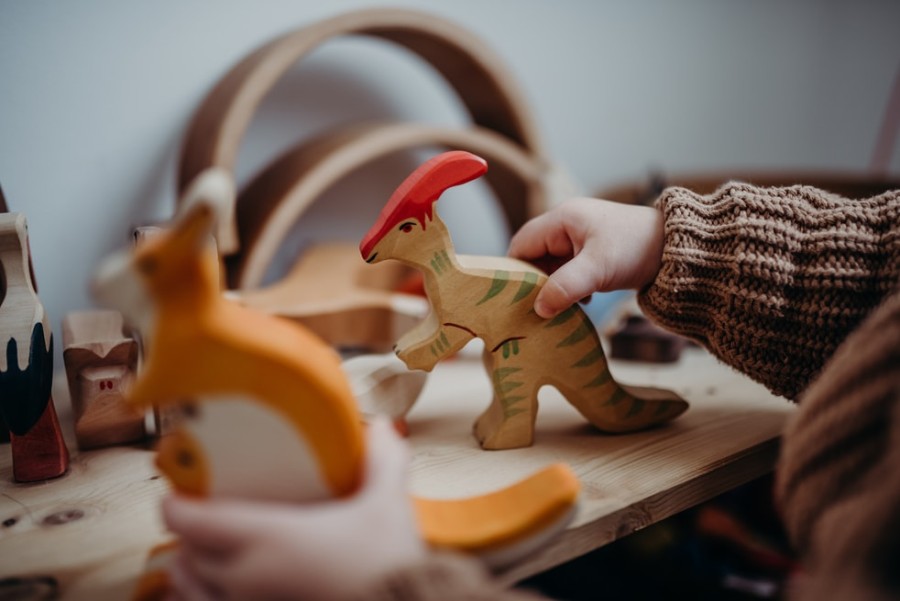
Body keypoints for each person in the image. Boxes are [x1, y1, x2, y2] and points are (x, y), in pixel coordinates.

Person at [162, 182, 899, 601]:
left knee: (514, 367)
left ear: (426, 232)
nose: (387, 249)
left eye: (400, 236)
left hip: (544, 342)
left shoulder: (459, 285)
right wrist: (671, 241)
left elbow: (448, 334)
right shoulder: (454, 283)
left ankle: (512, 422)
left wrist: (390, 585)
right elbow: (877, 279)